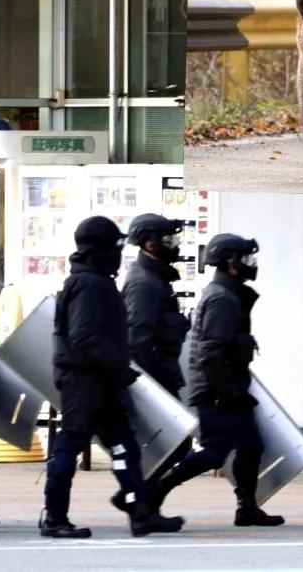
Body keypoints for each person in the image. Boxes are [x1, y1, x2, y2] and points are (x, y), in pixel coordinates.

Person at [39, 216, 184, 539]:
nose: (120, 251)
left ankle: (140, 512)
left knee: (125, 446)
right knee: (70, 446)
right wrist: (119, 369)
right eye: (115, 246)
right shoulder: (91, 285)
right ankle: (55, 517)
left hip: (101, 381)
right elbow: (86, 338)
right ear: (101, 248)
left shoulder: (93, 280)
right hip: (86, 381)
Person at [151, 233, 284, 528]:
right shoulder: (222, 299)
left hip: (229, 386)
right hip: (217, 389)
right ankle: (155, 491)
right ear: (231, 264)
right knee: (214, 452)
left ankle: (246, 507)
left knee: (251, 446)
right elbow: (211, 352)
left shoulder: (229, 294)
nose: (252, 263)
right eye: (246, 258)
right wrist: (225, 392)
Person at [122, 214, 190, 503]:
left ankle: (144, 501)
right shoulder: (144, 283)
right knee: (170, 443)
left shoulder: (156, 278)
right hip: (155, 377)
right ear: (147, 242)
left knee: (174, 444)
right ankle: (142, 500)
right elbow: (139, 339)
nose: (172, 245)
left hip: (163, 372)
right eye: (166, 240)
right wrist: (152, 387)